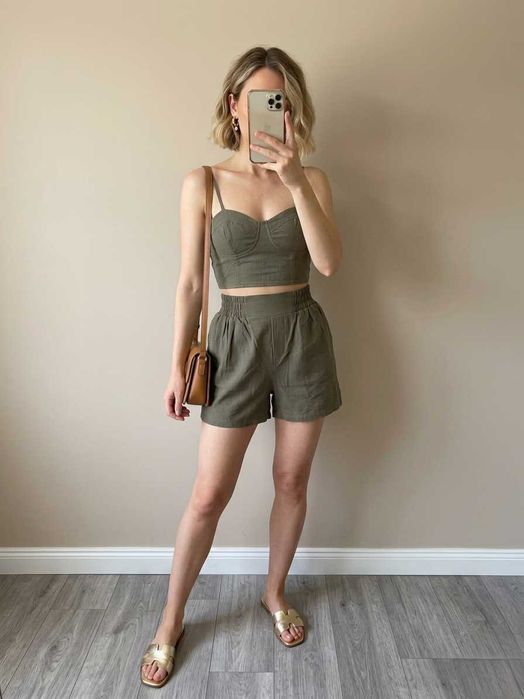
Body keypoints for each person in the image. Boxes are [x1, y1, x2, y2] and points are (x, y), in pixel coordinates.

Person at [141, 45, 343, 688]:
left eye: (278, 99)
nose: (266, 110)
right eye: (255, 98)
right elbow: (190, 285)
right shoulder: (202, 181)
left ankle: (274, 592)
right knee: (208, 495)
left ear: (291, 108)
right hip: (233, 341)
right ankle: (171, 620)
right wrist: (176, 366)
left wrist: (293, 179)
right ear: (234, 105)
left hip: (302, 334)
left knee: (292, 480)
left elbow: (329, 263)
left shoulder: (313, 179)